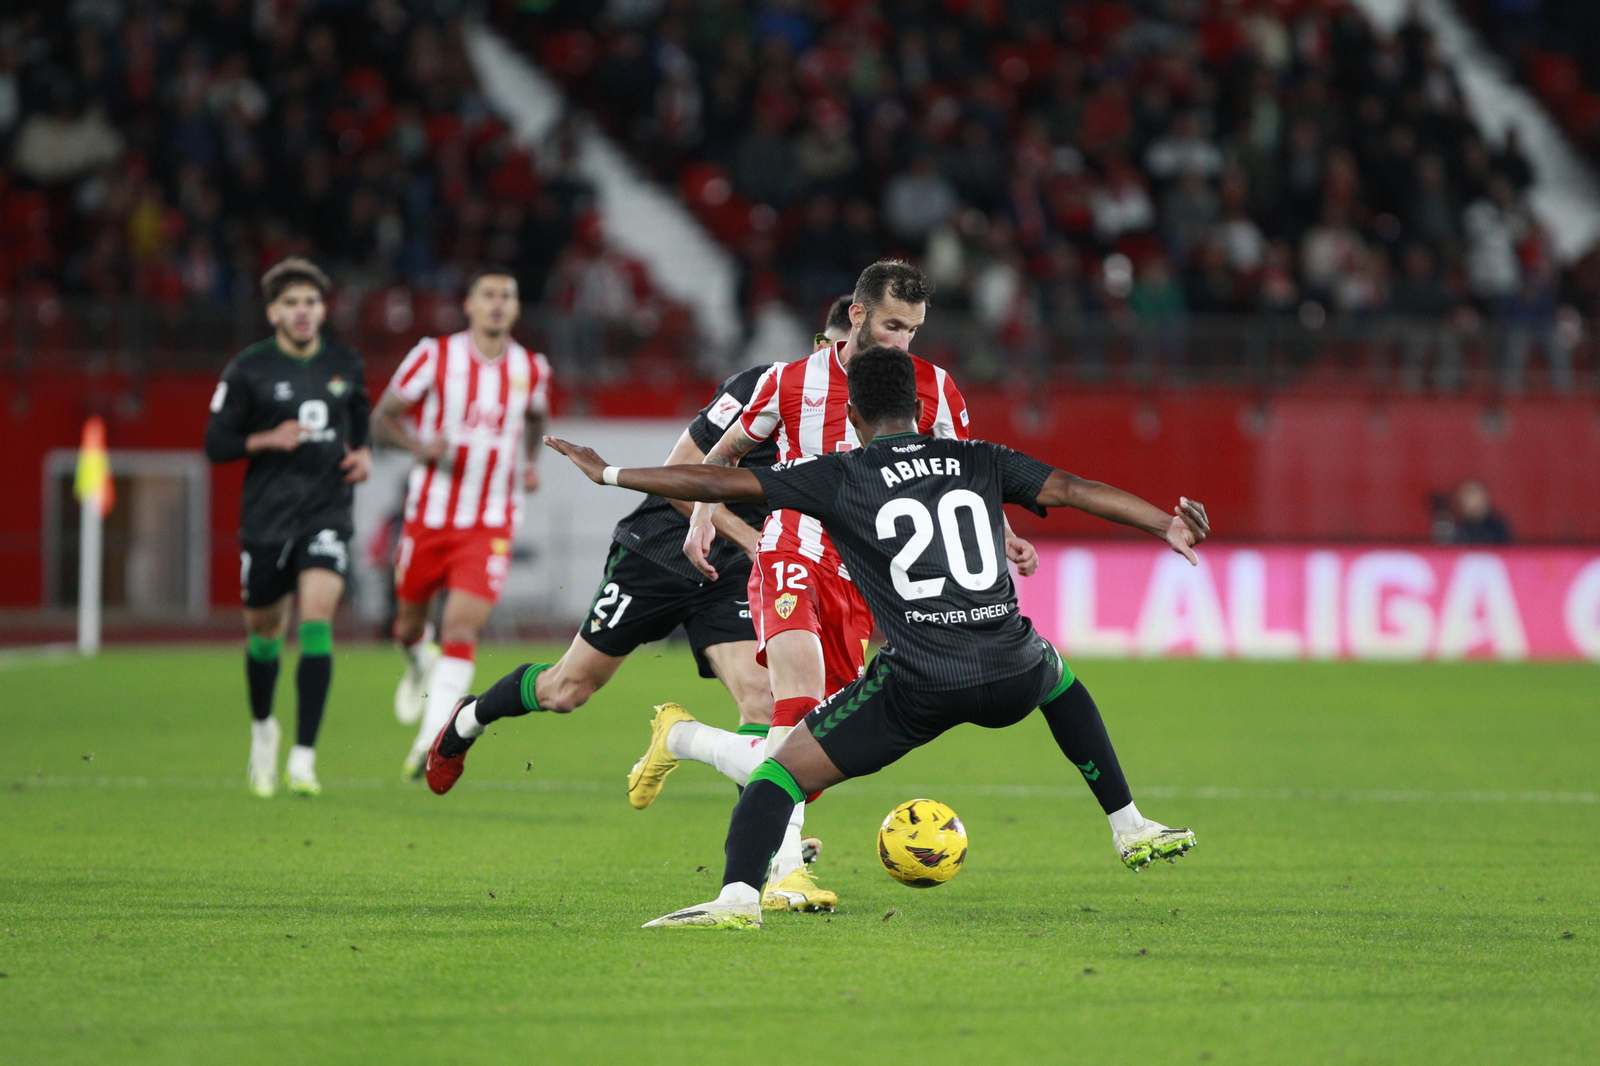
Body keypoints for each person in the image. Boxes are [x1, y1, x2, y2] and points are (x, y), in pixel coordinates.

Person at [455, 346, 1207, 928]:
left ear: (852, 419)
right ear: (920, 405)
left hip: (919, 679)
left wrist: (613, 473)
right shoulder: (982, 459)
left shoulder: (841, 472)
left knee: (780, 775)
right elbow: (1074, 491)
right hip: (1010, 662)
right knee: (1062, 683)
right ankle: (1129, 824)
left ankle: (738, 897)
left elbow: (721, 483)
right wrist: (1165, 523)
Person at [676, 260, 1038, 913]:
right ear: (857, 314)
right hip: (790, 548)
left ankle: (685, 740)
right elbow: (721, 453)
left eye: (915, 329)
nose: (903, 341)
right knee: (796, 694)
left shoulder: (935, 388)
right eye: (894, 324)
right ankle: (784, 872)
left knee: (814, 735)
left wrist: (1002, 532)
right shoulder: (789, 383)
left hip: (864, 575)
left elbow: (966, 473)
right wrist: (705, 517)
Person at [370, 269, 552, 779]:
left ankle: (429, 741)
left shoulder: (531, 368)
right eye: (488, 295)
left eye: (507, 296)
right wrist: (419, 446)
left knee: (460, 628)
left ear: (516, 309)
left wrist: (530, 462)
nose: (497, 304)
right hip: (428, 516)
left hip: (491, 520)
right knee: (408, 627)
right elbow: (382, 418)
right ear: (469, 305)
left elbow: (536, 418)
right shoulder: (434, 355)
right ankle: (415, 663)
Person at [203, 257, 372, 798]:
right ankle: (263, 731)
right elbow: (216, 444)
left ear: (323, 310)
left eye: (312, 302)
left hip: (326, 512)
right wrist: (265, 438)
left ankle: (303, 756)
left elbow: (361, 427)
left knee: (316, 617)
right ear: (274, 311)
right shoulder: (248, 369)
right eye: (292, 303)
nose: (303, 312)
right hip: (267, 516)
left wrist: (364, 456)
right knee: (265, 632)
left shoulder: (346, 362)